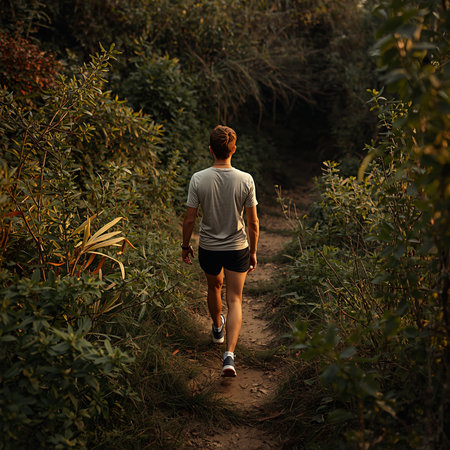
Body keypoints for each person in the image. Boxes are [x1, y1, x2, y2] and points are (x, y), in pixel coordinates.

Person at [181, 125, 259, 377]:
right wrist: (254, 252)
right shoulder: (245, 179)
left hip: (209, 247)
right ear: (233, 149)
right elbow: (253, 223)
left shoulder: (198, 178)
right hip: (237, 247)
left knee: (213, 287)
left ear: (211, 149)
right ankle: (229, 356)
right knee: (235, 299)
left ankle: (217, 328)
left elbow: (190, 219)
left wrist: (185, 245)